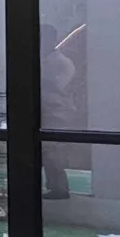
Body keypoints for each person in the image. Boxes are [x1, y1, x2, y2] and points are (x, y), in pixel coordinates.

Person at [41, 23, 76, 200]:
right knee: (47, 152)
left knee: (54, 152)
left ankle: (60, 188)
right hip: (45, 112)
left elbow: (58, 86)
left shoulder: (63, 63)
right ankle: (53, 186)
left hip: (58, 113)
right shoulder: (44, 60)